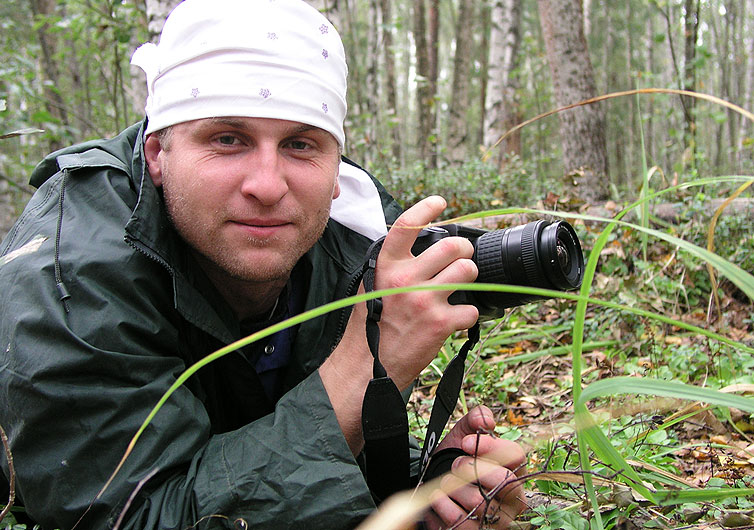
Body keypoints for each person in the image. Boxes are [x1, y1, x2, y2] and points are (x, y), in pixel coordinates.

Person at [0, 1, 526, 528]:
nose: (269, 185)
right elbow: (130, 513)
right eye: (228, 140)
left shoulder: (355, 243)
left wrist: (419, 485)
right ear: (158, 153)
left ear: (336, 168)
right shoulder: (76, 266)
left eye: (301, 145)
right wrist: (361, 372)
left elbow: (266, 442)